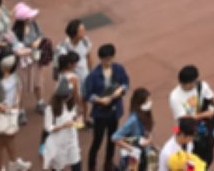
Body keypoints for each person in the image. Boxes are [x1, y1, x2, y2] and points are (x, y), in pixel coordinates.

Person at [83, 43, 130, 171]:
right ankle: (91, 166)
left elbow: (126, 82)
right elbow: (87, 94)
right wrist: (99, 100)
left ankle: (108, 164)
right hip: (100, 113)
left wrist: (120, 90)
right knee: (97, 141)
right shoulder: (93, 75)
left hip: (114, 111)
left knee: (112, 139)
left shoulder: (118, 69)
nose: (108, 61)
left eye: (110, 58)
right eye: (105, 59)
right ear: (101, 59)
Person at [0, 53, 33, 171]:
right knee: (0, 142)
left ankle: (14, 162)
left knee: (11, 138)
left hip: (12, 112)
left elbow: (18, 91)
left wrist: (17, 105)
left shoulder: (15, 77)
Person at [168, 65, 214, 165]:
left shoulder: (201, 85)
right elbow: (183, 119)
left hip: (201, 127)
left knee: (206, 157)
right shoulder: (174, 97)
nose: (196, 82)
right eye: (194, 81)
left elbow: (213, 96)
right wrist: (205, 115)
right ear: (187, 83)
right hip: (183, 128)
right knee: (186, 158)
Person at [42, 77, 84, 171]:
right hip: (58, 142)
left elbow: (79, 123)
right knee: (58, 167)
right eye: (63, 97)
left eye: (68, 96)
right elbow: (48, 127)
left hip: (72, 140)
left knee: (77, 165)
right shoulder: (50, 108)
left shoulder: (72, 105)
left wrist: (78, 120)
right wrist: (63, 126)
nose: (66, 98)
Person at [112, 87, 155, 170]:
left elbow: (149, 131)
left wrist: (149, 139)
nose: (150, 103)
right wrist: (131, 149)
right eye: (147, 101)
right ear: (140, 103)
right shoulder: (133, 120)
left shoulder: (146, 114)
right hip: (134, 155)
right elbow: (115, 137)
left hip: (144, 152)